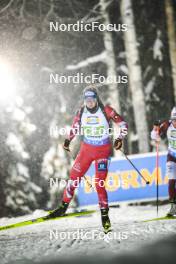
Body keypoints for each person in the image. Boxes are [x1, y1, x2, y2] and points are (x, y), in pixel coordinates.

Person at [48, 87, 128, 231]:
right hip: (86, 150)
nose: (89, 103)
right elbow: (75, 127)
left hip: (103, 152)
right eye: (87, 100)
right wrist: (68, 140)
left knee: (99, 184)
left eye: (92, 100)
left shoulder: (107, 110)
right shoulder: (81, 111)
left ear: (96, 99)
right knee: (73, 178)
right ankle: (63, 207)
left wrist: (120, 138)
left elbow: (123, 125)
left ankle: (105, 216)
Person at [151, 107, 176, 216]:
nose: (175, 122)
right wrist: (155, 128)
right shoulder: (167, 124)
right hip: (172, 156)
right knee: (171, 181)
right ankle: (173, 207)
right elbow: (154, 136)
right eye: (174, 119)